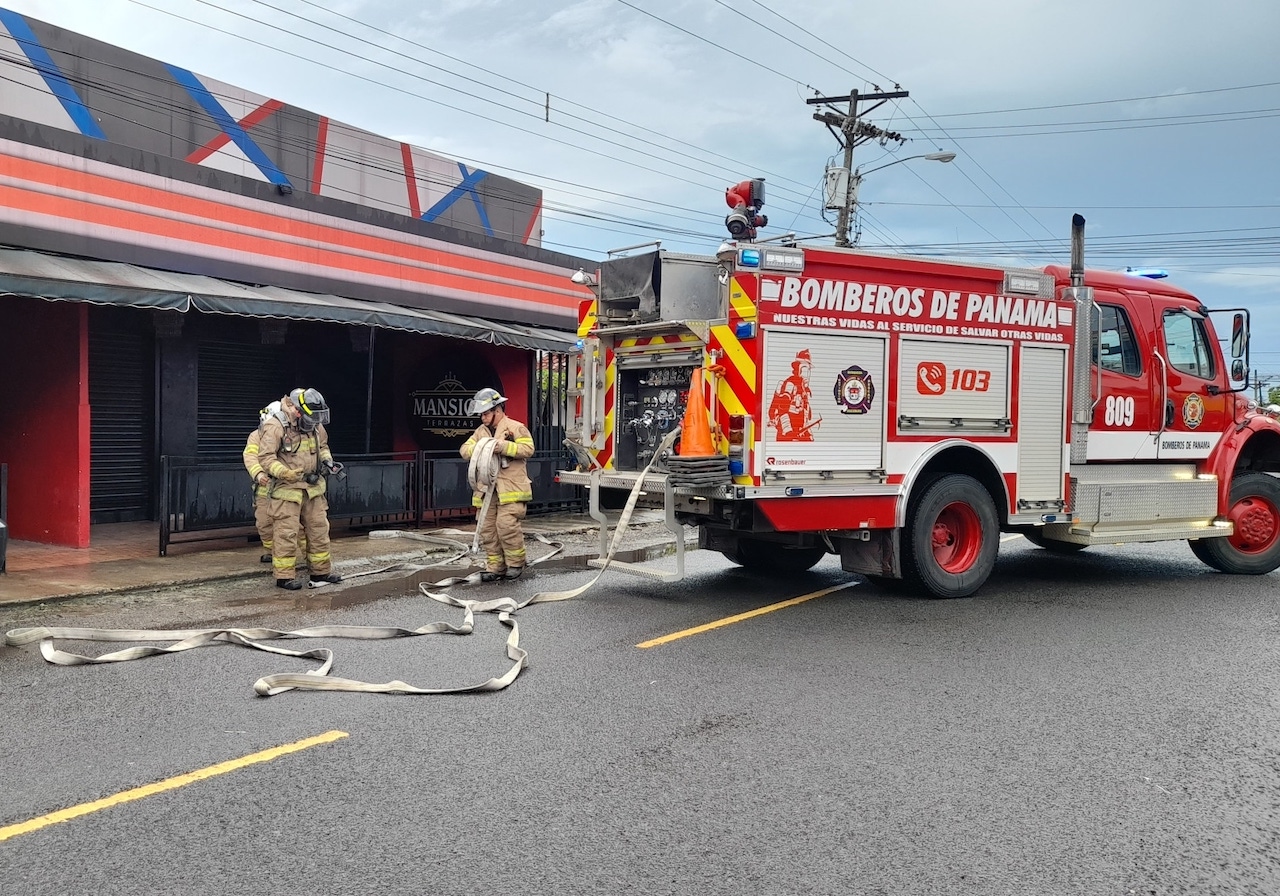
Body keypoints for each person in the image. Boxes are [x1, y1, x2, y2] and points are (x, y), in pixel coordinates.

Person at [255, 387, 344, 590]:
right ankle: (284, 577)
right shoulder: (276, 426)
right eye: (312, 417)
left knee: (319, 531)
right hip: (287, 490)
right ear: (296, 410)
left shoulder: (315, 425)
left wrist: (328, 461)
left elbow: (323, 447)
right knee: (286, 534)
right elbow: (265, 458)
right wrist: (284, 472)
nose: (316, 423)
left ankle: (321, 573)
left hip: (313, 489)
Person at [459, 387, 535, 581]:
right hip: (487, 490)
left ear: (497, 410)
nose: (482, 418)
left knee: (506, 525)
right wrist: (481, 446)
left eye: (485, 414)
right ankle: (495, 567)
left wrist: (502, 446)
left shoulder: (516, 427)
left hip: (511, 489)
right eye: (481, 415)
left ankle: (515, 564)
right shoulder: (480, 432)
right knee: (487, 528)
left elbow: (528, 449)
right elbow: (464, 450)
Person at [242, 400, 305, 566]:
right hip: (264, 488)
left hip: (286, 488)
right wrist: (259, 474)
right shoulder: (256, 436)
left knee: (294, 526)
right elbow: (250, 457)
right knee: (264, 524)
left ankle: (308, 556)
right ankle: (271, 552)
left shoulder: (290, 434)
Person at [768, 348, 820, 441]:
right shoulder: (790, 384)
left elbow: (804, 415)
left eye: (809, 370)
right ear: (797, 369)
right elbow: (782, 410)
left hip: (800, 432)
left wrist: (808, 436)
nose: (807, 373)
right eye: (804, 368)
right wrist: (789, 432)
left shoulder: (803, 390)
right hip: (787, 434)